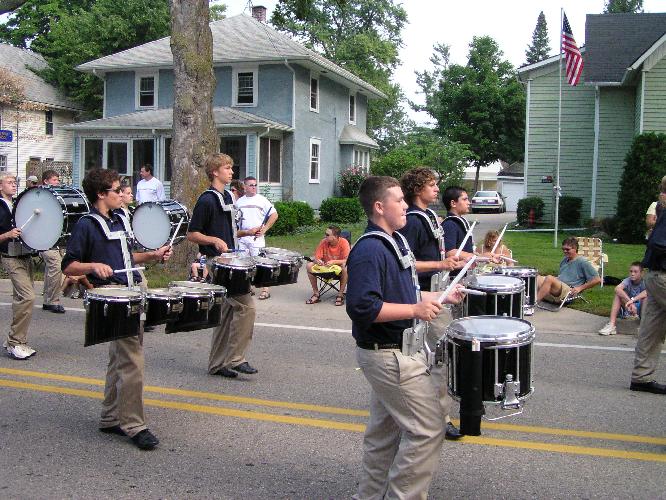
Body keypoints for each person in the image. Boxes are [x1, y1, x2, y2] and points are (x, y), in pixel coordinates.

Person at [346, 176, 464, 499]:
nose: (405, 206)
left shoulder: (394, 241)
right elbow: (362, 307)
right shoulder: (370, 249)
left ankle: (368, 496)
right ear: (379, 207)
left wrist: (437, 298)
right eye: (398, 200)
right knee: (428, 428)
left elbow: (404, 292)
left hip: (398, 352)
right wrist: (414, 308)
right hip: (389, 355)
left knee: (383, 436)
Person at [61, 168, 172, 449]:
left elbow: (127, 256)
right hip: (111, 296)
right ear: (101, 194)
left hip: (132, 290)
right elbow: (69, 265)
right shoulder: (86, 224)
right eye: (116, 190)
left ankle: (110, 417)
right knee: (132, 360)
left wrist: (152, 255)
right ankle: (134, 424)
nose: (121, 194)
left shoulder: (120, 218)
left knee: (119, 358)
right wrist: (92, 266)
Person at [398, 167, 465, 441]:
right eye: (432, 185)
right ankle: (440, 418)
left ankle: (429, 410)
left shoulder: (428, 217)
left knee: (437, 358)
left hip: (438, 293)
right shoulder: (413, 220)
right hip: (425, 298)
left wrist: (450, 269)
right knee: (441, 358)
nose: (437, 189)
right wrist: (440, 263)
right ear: (417, 189)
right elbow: (407, 263)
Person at [187, 153, 260, 379]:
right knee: (247, 307)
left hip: (231, 260)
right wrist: (213, 241)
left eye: (231, 167)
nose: (231, 171)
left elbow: (226, 232)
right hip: (218, 263)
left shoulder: (227, 197)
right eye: (227, 168)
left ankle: (217, 364)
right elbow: (192, 234)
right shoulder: (207, 200)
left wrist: (245, 233)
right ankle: (236, 358)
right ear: (215, 172)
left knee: (226, 314)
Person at [630, 176, 666, 395]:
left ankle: (641, 377)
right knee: (652, 329)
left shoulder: (661, 210)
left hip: (655, 277)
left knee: (651, 329)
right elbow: (659, 242)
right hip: (663, 277)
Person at [0, 172, 37, 360]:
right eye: (9, 182)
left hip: (25, 255)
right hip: (10, 257)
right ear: (0, 187)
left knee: (20, 299)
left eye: (15, 182)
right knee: (28, 297)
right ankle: (15, 341)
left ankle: (15, 341)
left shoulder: (17, 204)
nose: (13, 185)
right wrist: (7, 234)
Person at [235, 176, 278, 300]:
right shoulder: (239, 202)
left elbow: (274, 215)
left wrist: (264, 229)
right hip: (243, 237)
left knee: (260, 263)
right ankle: (248, 287)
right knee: (244, 263)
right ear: (244, 186)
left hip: (257, 238)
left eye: (255, 185)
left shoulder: (262, 200)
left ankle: (265, 289)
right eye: (251, 185)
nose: (253, 187)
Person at [536, 237, 601, 305]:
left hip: (569, 291)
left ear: (575, 249)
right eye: (563, 249)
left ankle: (533, 303)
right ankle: (529, 299)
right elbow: (563, 276)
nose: (564, 251)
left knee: (549, 278)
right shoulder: (564, 260)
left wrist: (580, 288)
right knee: (536, 277)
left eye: (567, 249)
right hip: (560, 286)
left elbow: (597, 280)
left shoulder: (583, 262)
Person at [40, 170, 66, 313]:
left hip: (56, 239)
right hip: (44, 240)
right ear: (46, 181)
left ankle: (48, 299)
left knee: (52, 269)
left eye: (57, 180)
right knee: (56, 266)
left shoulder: (57, 196)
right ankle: (51, 301)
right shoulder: (41, 196)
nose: (57, 182)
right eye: (54, 180)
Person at [305, 225, 351, 306]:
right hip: (325, 268)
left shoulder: (344, 242)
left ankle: (340, 295)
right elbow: (316, 257)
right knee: (309, 265)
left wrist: (334, 262)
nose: (325, 236)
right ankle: (316, 294)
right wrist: (318, 261)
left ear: (335, 236)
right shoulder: (323, 242)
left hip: (339, 270)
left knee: (345, 266)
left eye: (327, 235)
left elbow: (347, 260)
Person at [598, 262, 647, 336]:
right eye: (631, 271)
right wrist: (631, 303)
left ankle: (643, 327)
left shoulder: (645, 282)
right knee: (618, 295)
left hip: (641, 310)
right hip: (629, 308)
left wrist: (632, 300)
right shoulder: (627, 280)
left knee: (647, 298)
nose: (632, 274)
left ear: (642, 273)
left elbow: (648, 292)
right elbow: (617, 288)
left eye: (635, 272)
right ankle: (611, 325)